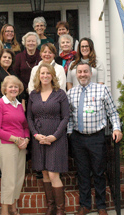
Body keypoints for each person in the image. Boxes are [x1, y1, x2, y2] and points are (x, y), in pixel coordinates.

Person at [67, 63, 123, 215]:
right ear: (76, 74)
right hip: (78, 139)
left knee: (99, 172)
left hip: (97, 138)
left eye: (85, 71)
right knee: (82, 172)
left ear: (91, 74)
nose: (82, 74)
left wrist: (117, 128)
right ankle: (85, 205)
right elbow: (69, 117)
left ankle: (101, 206)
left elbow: (113, 112)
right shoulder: (70, 93)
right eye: (80, 72)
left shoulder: (102, 90)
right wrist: (70, 134)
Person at [27, 63, 70, 215]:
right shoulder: (33, 95)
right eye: (42, 73)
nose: (45, 76)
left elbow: (65, 117)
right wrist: (36, 135)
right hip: (39, 139)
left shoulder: (60, 94)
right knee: (45, 173)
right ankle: (50, 207)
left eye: (48, 73)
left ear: (52, 75)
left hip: (56, 139)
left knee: (53, 173)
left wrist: (54, 136)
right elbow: (29, 118)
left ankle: (60, 210)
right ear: (38, 76)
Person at [0, 75, 30, 215]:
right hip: (6, 144)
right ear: (5, 89)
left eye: (16, 87)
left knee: (19, 177)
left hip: (20, 145)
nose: (14, 89)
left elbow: (25, 126)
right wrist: (14, 139)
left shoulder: (19, 105)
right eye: (11, 86)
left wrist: (26, 139)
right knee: (9, 178)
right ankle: (5, 210)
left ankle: (13, 207)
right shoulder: (0, 104)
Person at [14, 32, 42, 110]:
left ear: (37, 43)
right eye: (28, 41)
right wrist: (25, 87)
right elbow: (15, 75)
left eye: (33, 41)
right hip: (21, 92)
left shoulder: (42, 56)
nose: (31, 43)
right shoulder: (18, 57)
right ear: (24, 43)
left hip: (39, 91)